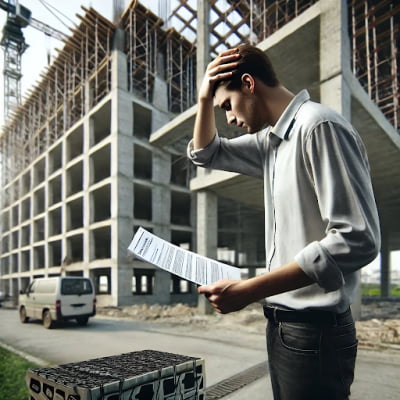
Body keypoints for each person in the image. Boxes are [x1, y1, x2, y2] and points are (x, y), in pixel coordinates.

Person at [187, 44, 381, 400]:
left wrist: (250, 289)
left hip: (316, 333)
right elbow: (205, 152)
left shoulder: (318, 126)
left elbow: (358, 239)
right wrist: (204, 100)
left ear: (248, 84)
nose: (228, 119)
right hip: (283, 327)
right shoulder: (271, 144)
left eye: (226, 105)